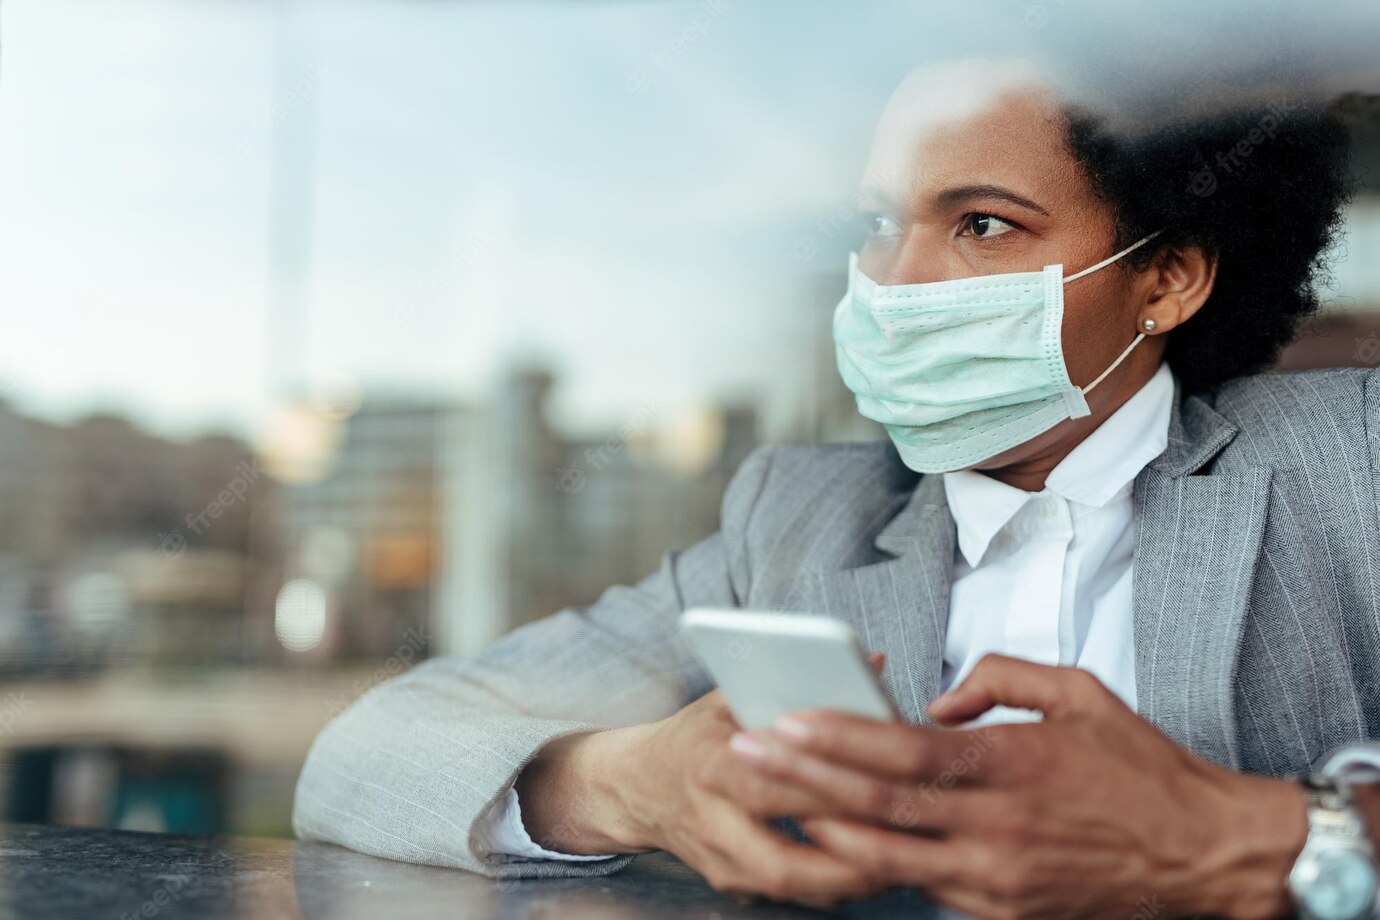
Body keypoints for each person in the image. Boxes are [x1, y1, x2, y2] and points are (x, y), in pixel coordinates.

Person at [293, 59, 1380, 919]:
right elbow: (363, 755)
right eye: (878, 223)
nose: (892, 284)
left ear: (1167, 276)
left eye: (982, 224)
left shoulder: (1352, 458)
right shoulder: (801, 519)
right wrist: (640, 780)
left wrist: (1255, 834)